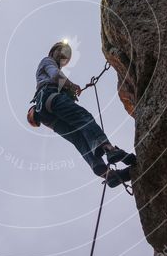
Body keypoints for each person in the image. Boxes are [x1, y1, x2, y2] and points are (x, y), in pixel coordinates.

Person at [30, 41, 136, 188]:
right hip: (50, 96)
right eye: (61, 53)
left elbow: (57, 81)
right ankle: (109, 150)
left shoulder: (47, 71)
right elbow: (55, 76)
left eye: (65, 57)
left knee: (79, 137)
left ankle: (107, 174)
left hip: (46, 112)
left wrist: (68, 92)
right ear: (52, 51)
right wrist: (72, 86)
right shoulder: (47, 61)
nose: (63, 57)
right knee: (84, 119)